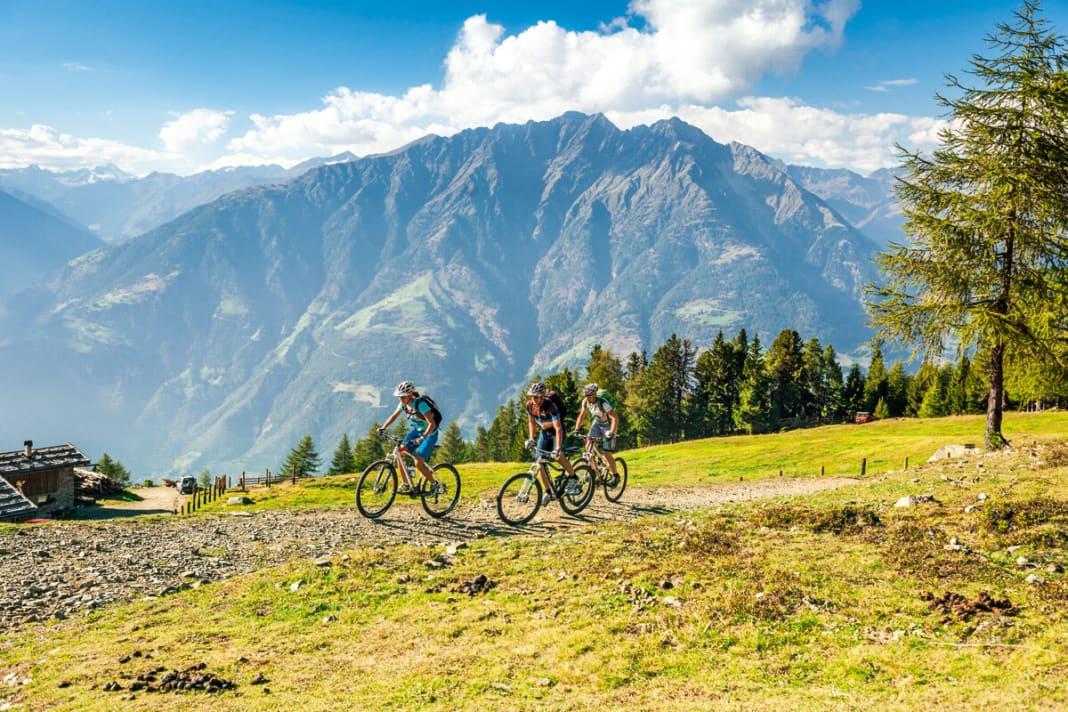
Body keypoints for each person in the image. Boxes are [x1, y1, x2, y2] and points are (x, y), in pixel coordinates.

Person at [378, 380, 441, 494]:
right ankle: (406, 484)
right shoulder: (403, 404)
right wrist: (383, 427)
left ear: (410, 395)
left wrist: (422, 438)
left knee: (418, 463)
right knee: (400, 452)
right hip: (416, 431)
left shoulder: (420, 404)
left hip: (429, 434)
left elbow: (432, 424)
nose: (400, 399)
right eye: (399, 397)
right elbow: (394, 416)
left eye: (402, 397)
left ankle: (434, 484)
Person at [523, 381, 577, 505]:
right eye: (532, 396)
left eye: (536, 396)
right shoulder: (530, 405)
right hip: (544, 432)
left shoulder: (550, 406)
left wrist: (558, 448)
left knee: (559, 457)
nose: (533, 399)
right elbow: (531, 422)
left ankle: (573, 477)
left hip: (556, 431)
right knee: (539, 462)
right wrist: (531, 438)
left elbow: (558, 428)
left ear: (542, 395)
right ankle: (548, 492)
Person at [573, 382, 621, 481]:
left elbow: (615, 418)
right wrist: (576, 429)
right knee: (588, 447)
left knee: (607, 453)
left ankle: (616, 476)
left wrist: (611, 433)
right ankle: (592, 472)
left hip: (608, 425)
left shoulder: (603, 403)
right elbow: (582, 416)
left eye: (589, 396)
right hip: (597, 423)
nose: (587, 398)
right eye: (586, 396)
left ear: (595, 395)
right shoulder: (585, 402)